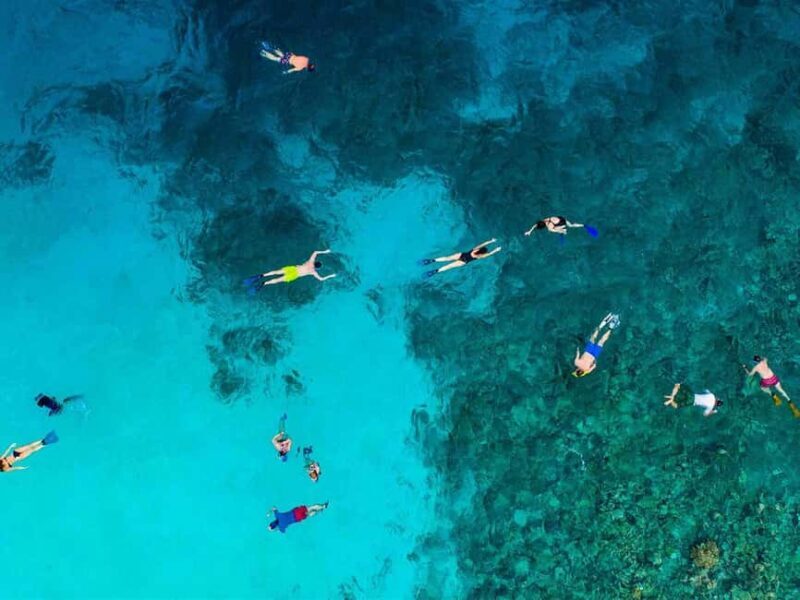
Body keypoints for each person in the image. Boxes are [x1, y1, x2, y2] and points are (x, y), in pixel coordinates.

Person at [244, 249, 336, 291]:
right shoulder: (313, 272)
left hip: (293, 269)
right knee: (277, 280)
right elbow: (321, 279)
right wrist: (331, 275)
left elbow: (315, 252)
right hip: (294, 275)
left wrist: (325, 252)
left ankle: (261, 276)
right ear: (317, 267)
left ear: (316, 262)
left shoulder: (310, 261)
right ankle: (263, 284)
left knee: (276, 272)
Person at [419, 239, 502, 278]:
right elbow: (490, 254)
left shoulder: (476, 249)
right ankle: (435, 271)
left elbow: (483, 244)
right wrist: (497, 250)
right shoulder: (480, 256)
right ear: (483, 253)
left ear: (480, 249)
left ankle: (432, 260)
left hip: (461, 255)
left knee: (447, 258)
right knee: (449, 266)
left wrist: (491, 241)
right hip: (464, 261)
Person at [573, 313, 620, 377]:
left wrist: (594, 361)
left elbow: (594, 365)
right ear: (577, 369)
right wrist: (578, 347)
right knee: (593, 337)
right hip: (588, 350)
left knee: (602, 341)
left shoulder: (587, 370)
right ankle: (601, 326)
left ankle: (610, 328)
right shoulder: (576, 363)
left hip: (594, 354)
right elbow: (578, 352)